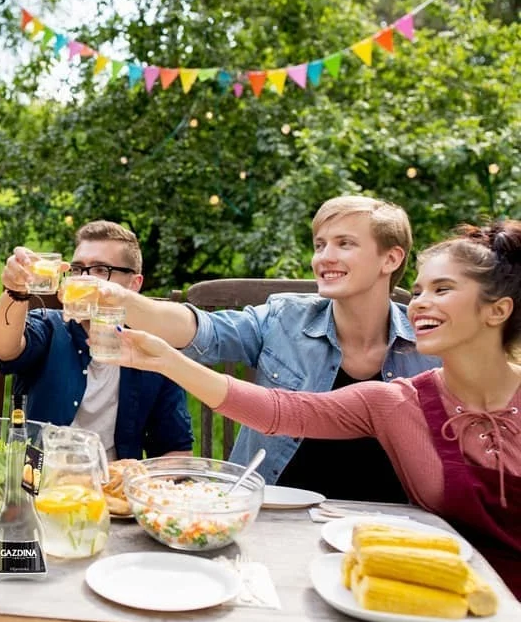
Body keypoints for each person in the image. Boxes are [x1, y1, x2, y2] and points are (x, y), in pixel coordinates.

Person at [104, 220, 521, 599]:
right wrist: (165, 358)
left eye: (441, 290)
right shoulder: (394, 400)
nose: (419, 304)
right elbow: (280, 410)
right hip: (440, 595)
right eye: (417, 292)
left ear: (498, 310)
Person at [97, 196, 441, 503]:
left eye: (345, 244)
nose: (324, 257)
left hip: (391, 520)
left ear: (391, 258)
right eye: (319, 245)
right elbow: (202, 329)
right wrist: (124, 301)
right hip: (275, 511)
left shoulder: (431, 343)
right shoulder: (284, 318)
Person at [0, 220, 195, 622]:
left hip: (119, 505)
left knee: (175, 616)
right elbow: (4, 347)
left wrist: (135, 481)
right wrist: (15, 292)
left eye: (100, 270)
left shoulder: (154, 349)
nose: (84, 279)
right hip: (34, 491)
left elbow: (179, 450)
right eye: (78, 268)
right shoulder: (51, 327)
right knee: (1, 604)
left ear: (133, 284)